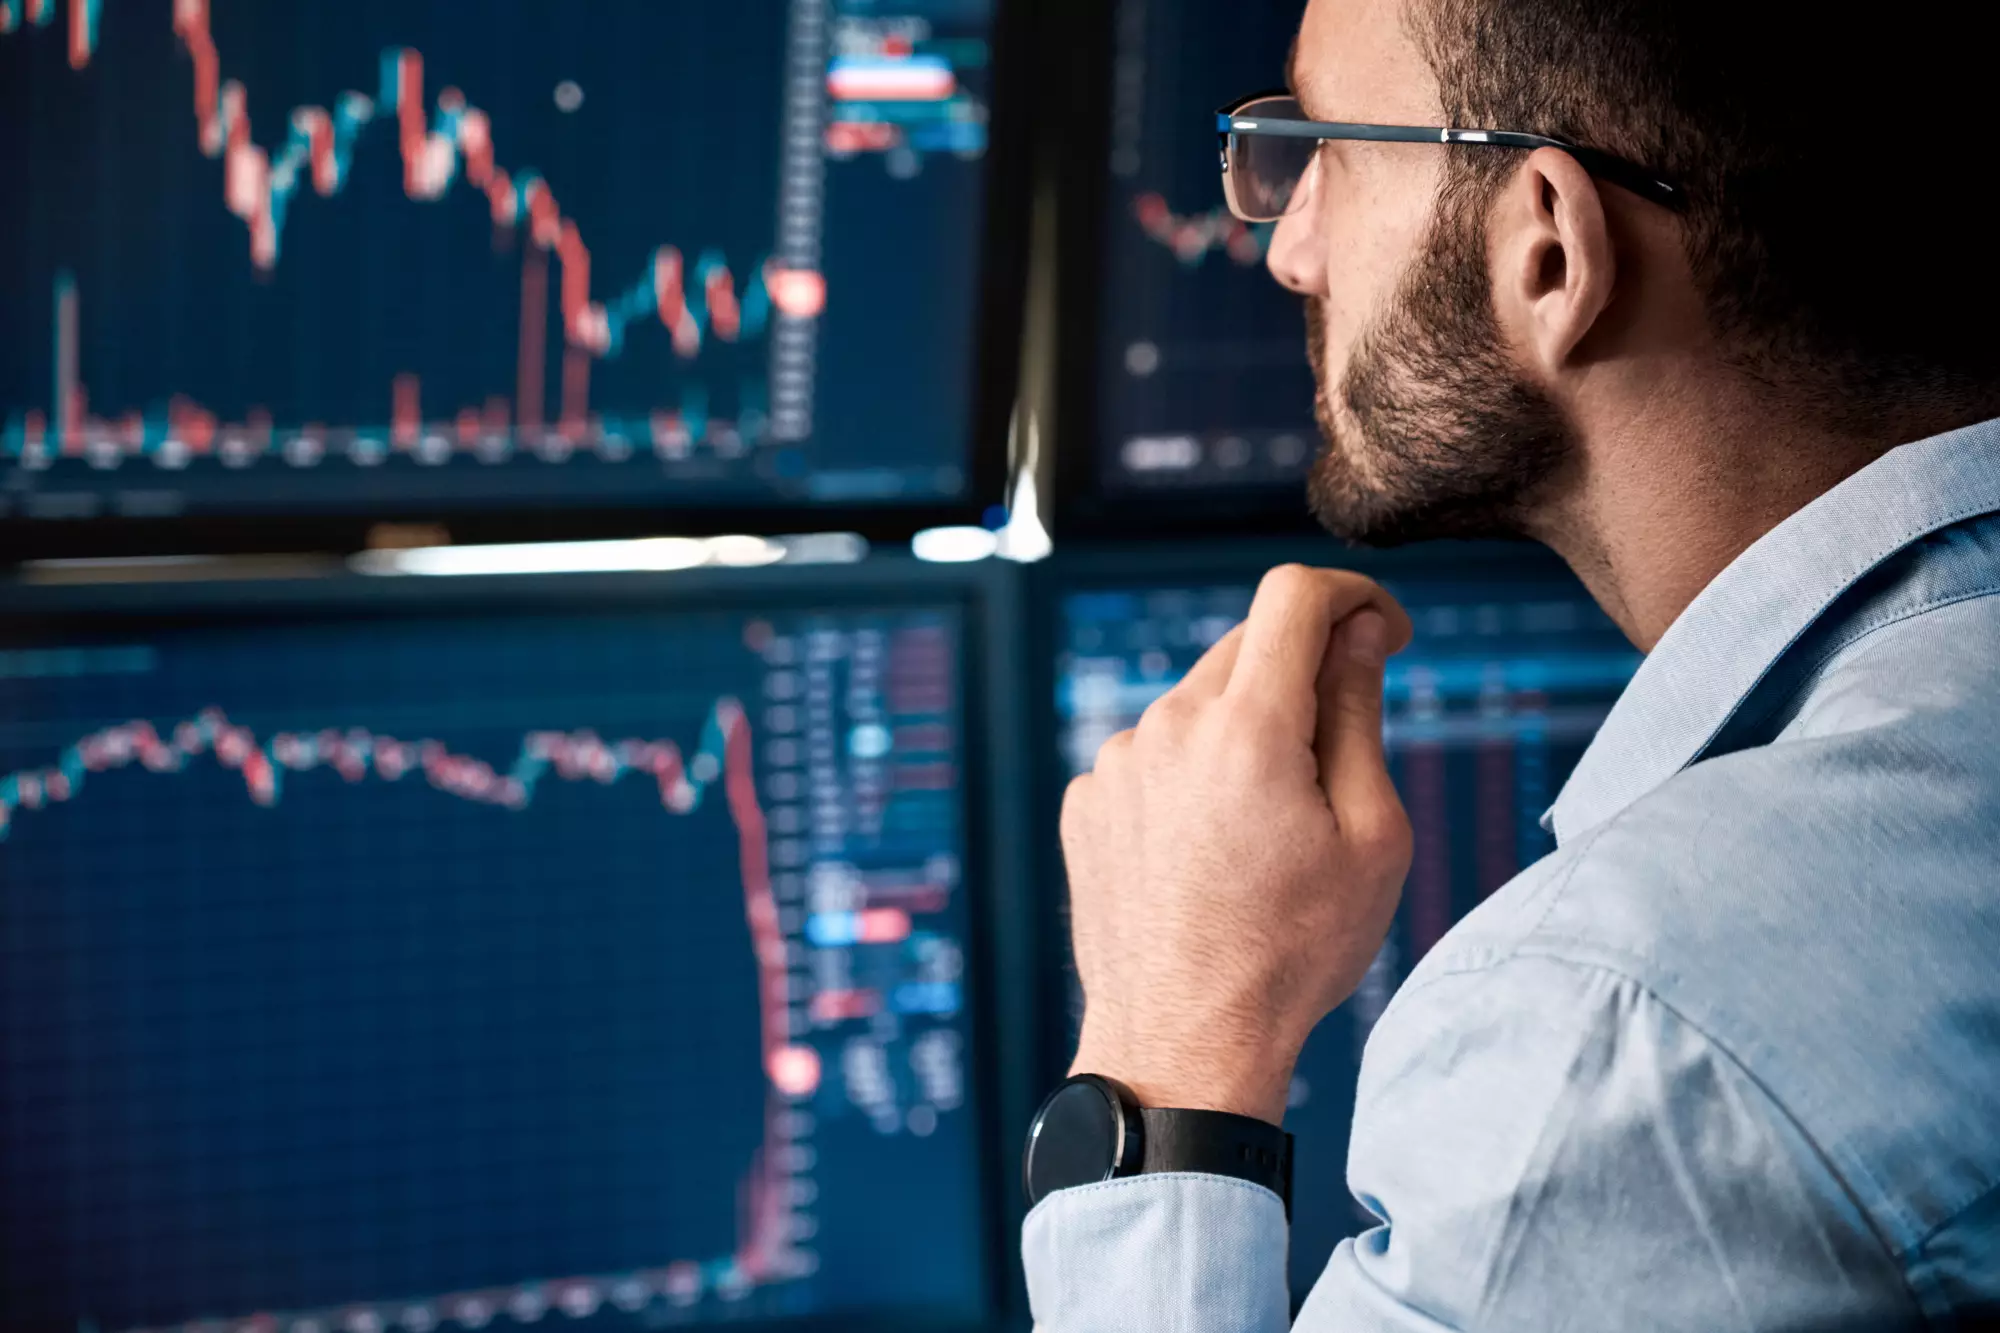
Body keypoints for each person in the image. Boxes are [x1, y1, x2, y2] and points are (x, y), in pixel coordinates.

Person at [1021, 0, 2000, 1327]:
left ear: (1549, 248)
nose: (1289, 247)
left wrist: (1166, 1052)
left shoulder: (1621, 1033)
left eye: (1322, 148)